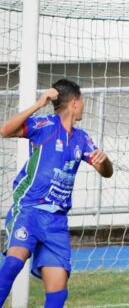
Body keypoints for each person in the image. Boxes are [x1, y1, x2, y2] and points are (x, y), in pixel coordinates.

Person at [0, 79, 114, 308]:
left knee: (58, 290)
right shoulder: (46, 125)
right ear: (74, 102)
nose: (83, 106)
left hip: (56, 222)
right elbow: (5, 130)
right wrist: (38, 103)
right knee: (13, 263)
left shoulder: (82, 139)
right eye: (82, 101)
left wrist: (104, 162)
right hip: (30, 210)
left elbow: (107, 172)